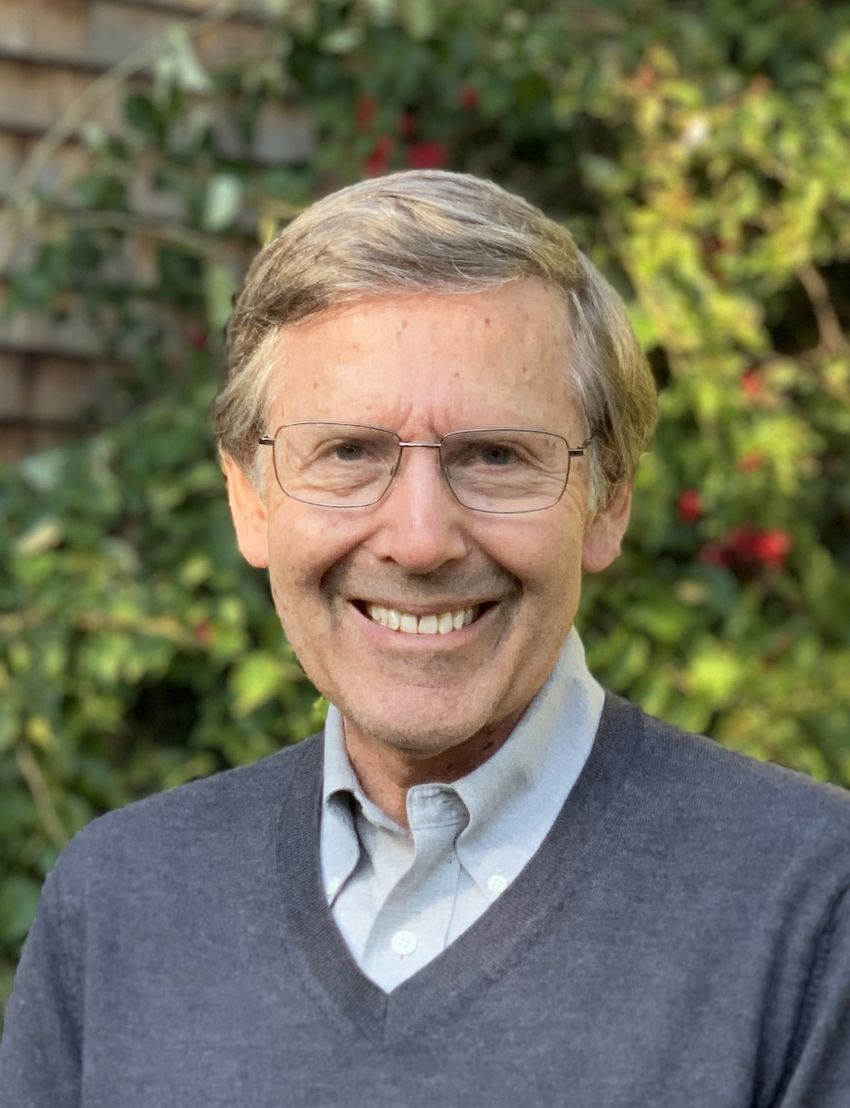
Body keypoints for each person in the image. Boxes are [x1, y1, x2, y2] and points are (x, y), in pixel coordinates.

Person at [1, 171, 848, 1107]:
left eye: (495, 456)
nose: (418, 539)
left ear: (608, 501)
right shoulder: (120, 903)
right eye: (348, 452)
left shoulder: (812, 912)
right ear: (249, 499)